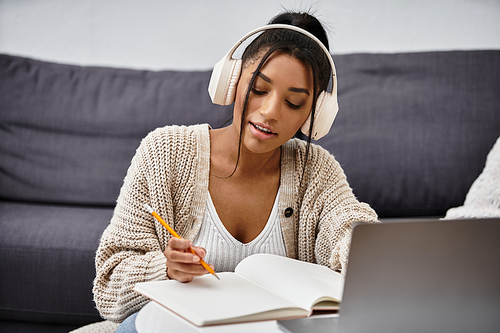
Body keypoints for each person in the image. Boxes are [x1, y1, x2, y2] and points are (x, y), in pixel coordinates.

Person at [92, 10, 378, 332]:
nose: (270, 112)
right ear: (232, 80)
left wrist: (365, 253)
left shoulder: (315, 170)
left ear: (315, 116)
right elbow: (109, 283)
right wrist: (166, 269)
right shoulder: (164, 152)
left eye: (294, 103)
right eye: (259, 89)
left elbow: (348, 225)